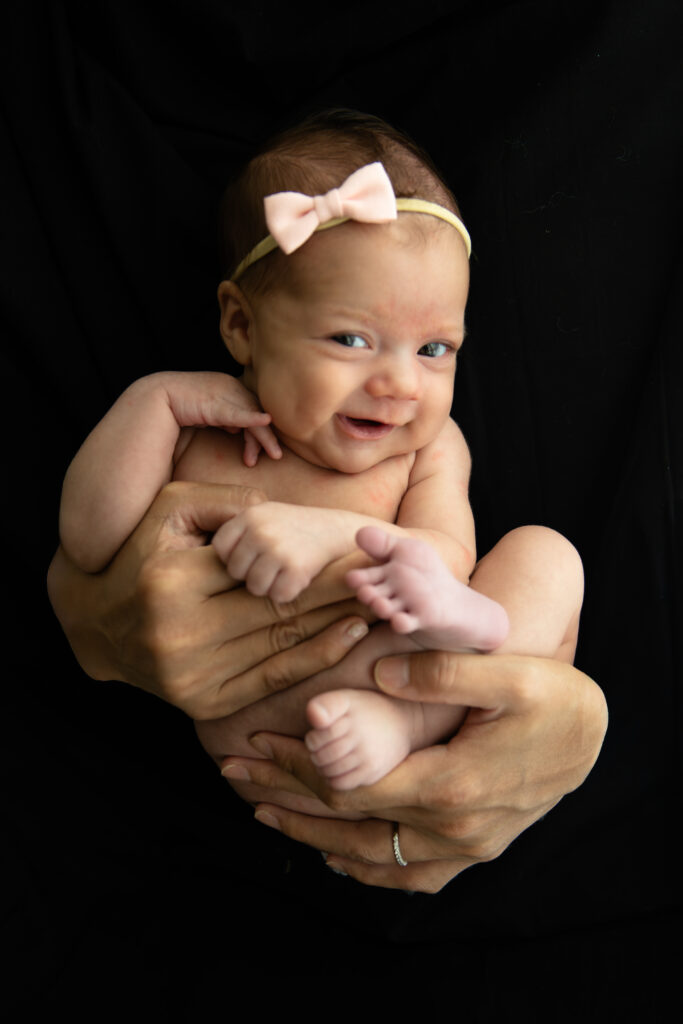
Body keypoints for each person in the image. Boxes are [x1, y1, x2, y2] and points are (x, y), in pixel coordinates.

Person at [58, 112, 584, 800]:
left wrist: (330, 534)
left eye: (433, 350)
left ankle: (407, 719)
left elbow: (448, 556)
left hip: (411, 682)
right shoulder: (200, 424)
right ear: (241, 325)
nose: (399, 384)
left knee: (547, 557)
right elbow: (89, 541)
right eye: (351, 339)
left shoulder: (425, 445)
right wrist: (153, 402)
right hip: (259, 726)